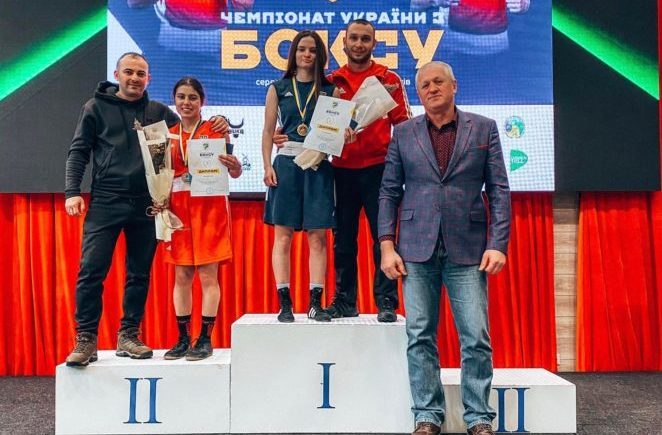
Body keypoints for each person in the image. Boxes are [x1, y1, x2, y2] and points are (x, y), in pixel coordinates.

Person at [64, 52, 227, 367]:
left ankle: (129, 335)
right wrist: (72, 192)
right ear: (117, 75)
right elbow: (78, 151)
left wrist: (218, 121)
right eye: (129, 72)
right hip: (106, 201)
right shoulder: (94, 107)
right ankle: (85, 339)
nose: (134, 79)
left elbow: (192, 132)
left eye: (141, 74)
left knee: (138, 274)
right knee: (91, 271)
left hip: (148, 205)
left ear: (148, 79)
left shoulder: (159, 113)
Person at [378, 61, 510, 435]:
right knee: (419, 335)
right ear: (418, 93)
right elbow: (388, 191)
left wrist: (498, 244)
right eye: (424, 85)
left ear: (454, 86)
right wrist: (386, 245)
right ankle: (427, 415)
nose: (431, 88)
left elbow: (499, 190)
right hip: (415, 249)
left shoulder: (484, 128)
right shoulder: (403, 133)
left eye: (438, 82)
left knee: (475, 337)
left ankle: (479, 417)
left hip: (468, 249)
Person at [326, 19, 411, 322]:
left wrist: (401, 168)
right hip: (340, 171)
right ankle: (345, 301)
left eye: (365, 39)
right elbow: (319, 128)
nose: (359, 44)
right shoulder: (331, 81)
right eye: (354, 38)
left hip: (380, 171)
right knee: (343, 241)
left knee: (383, 238)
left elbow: (404, 127)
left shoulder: (388, 79)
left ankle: (387, 302)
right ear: (344, 42)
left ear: (374, 44)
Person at [163, 77, 242, 361]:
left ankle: (205, 339)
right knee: (182, 275)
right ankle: (183, 338)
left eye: (192, 97)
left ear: (202, 102)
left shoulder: (216, 129)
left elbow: (234, 172)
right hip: (179, 210)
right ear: (175, 100)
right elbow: (160, 175)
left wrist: (235, 166)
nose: (186, 102)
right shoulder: (168, 135)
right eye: (181, 97)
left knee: (208, 275)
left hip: (210, 209)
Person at [262, 30, 338, 323]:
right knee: (282, 237)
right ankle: (285, 303)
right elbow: (268, 130)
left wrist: (345, 136)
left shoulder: (331, 91)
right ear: (293, 54)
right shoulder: (278, 88)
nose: (307, 55)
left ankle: (315, 303)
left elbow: (336, 135)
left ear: (321, 56)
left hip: (318, 166)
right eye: (302, 49)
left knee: (318, 237)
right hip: (286, 164)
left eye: (313, 50)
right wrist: (267, 165)